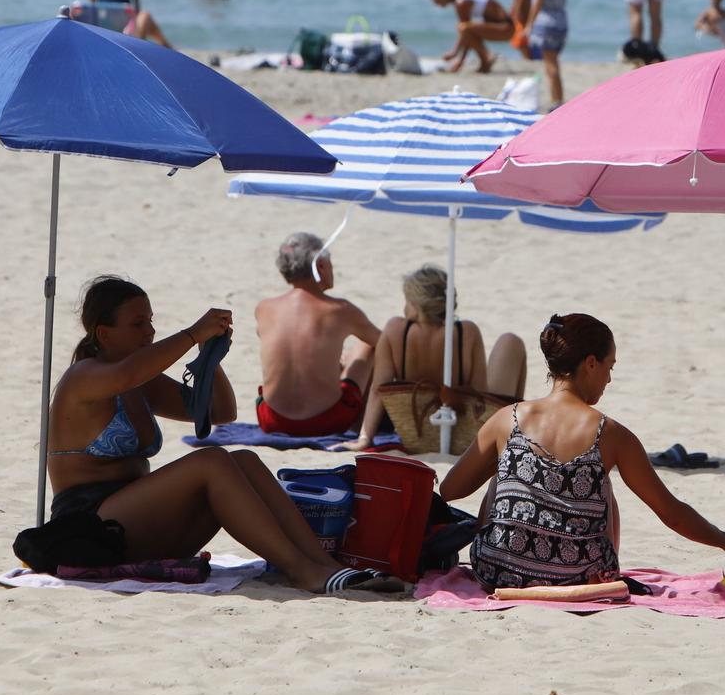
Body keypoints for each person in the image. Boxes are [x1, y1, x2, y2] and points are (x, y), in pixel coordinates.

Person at [46, 275, 401, 595]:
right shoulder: (85, 377)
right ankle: (302, 569)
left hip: (135, 524)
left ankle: (323, 564)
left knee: (243, 459)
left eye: (151, 322)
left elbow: (220, 413)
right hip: (87, 528)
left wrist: (208, 357)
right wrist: (192, 334)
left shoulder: (143, 381)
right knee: (212, 460)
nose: (150, 333)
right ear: (103, 334)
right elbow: (127, 374)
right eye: (138, 324)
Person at [437, 313, 725, 591]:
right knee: (605, 490)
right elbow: (669, 512)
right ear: (590, 363)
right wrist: (724, 539)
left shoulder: (508, 418)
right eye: (609, 366)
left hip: (499, 572)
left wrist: (514, 466)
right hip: (581, 576)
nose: (609, 378)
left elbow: (451, 489)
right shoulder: (612, 435)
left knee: (501, 477)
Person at [341, 266, 529, 452]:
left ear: (415, 305)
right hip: (463, 434)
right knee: (511, 342)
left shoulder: (395, 331)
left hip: (417, 432)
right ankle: (515, 434)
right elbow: (479, 394)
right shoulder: (466, 332)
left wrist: (365, 438)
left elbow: (377, 391)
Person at [254, 233, 379, 438]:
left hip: (271, 420)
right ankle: (361, 427)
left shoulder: (264, 308)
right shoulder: (341, 309)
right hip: (329, 421)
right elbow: (386, 343)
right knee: (366, 346)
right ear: (320, 265)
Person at [522, 0, 583, 108]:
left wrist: (529, 24)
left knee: (551, 65)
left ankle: (557, 102)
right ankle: (557, 99)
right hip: (562, 19)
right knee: (554, 63)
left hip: (546, 19)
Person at [427, 0, 509, 74]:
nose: (435, 3)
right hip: (502, 27)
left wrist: (456, 55)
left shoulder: (461, 2)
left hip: (506, 29)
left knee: (464, 29)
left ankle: (487, 57)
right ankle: (485, 62)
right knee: (467, 29)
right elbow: (468, 34)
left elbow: (465, 33)